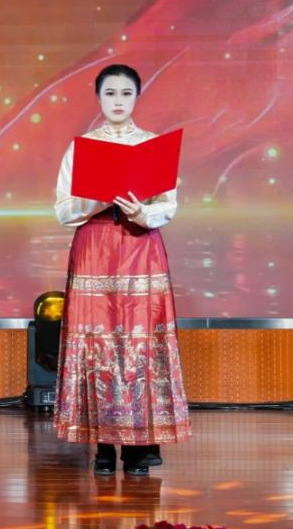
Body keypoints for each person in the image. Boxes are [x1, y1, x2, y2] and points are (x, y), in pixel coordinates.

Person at [52, 64, 191, 475]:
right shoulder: (81, 148)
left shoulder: (152, 145)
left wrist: (141, 211)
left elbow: (168, 206)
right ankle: (101, 446)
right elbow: (63, 210)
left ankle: (140, 446)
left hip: (139, 245)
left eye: (126, 93)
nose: (117, 101)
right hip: (95, 247)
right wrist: (98, 197)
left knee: (139, 340)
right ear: (99, 98)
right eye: (110, 93)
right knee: (97, 341)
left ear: (136, 97)